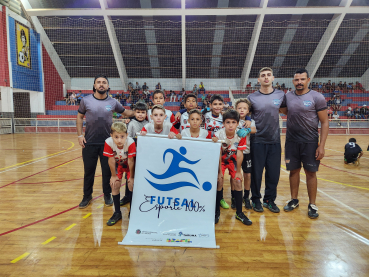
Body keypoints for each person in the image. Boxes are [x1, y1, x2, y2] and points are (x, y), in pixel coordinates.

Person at [76, 75, 134, 209]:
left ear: (108, 86)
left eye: (104, 83)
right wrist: (80, 135)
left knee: (107, 171)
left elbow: (125, 112)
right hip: (89, 142)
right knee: (88, 171)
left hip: (108, 144)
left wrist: (140, 112)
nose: (101, 85)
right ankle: (87, 196)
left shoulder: (113, 102)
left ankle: (107, 195)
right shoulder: (86, 100)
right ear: (94, 85)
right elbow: (79, 117)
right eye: (99, 82)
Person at [283, 68, 329, 219]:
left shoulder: (317, 97)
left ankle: (312, 204)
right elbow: (284, 111)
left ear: (308, 80)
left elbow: (324, 122)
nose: (299, 82)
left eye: (302, 79)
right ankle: (294, 199)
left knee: (311, 173)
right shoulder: (288, 96)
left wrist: (321, 145)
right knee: (293, 171)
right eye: (296, 80)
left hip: (310, 142)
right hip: (291, 141)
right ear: (293, 81)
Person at [248, 67, 286, 213]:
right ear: (258, 79)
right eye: (263, 75)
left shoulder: (281, 95)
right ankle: (256, 200)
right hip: (257, 140)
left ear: (273, 78)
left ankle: (269, 200)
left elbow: (286, 110)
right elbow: (245, 115)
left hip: (275, 141)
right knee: (257, 173)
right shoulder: (252, 97)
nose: (265, 77)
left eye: (268, 75)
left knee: (273, 173)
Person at [212, 109, 252, 226]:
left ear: (238, 123)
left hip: (233, 160)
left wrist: (238, 171)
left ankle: (239, 213)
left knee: (238, 181)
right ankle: (216, 211)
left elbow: (240, 153)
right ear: (223, 123)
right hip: (221, 160)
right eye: (228, 122)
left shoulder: (241, 134)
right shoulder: (218, 134)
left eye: (233, 122)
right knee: (219, 180)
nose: (230, 125)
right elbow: (218, 154)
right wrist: (220, 171)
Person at [103, 122, 136, 226]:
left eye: (122, 136)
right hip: (118, 165)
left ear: (127, 135)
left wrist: (132, 177)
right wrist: (113, 176)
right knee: (115, 184)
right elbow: (111, 160)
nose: (119, 140)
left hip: (129, 164)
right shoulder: (108, 142)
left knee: (131, 184)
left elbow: (131, 161)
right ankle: (117, 212)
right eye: (116, 137)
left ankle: (132, 212)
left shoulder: (130, 142)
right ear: (111, 135)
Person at [119, 102, 149, 207]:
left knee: (141, 175)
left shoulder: (148, 124)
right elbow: (128, 139)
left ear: (146, 113)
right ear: (134, 113)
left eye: (143, 112)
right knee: (130, 175)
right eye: (138, 112)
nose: (140, 114)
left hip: (144, 154)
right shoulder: (131, 123)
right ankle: (127, 196)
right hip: (132, 154)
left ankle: (140, 196)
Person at [235, 98, 256, 210]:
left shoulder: (250, 121)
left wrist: (247, 130)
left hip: (246, 152)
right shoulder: (233, 119)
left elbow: (254, 129)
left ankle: (246, 197)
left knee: (247, 175)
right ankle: (234, 197)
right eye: (239, 108)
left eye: (244, 108)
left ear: (248, 111)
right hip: (234, 151)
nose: (242, 110)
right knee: (235, 175)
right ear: (235, 109)